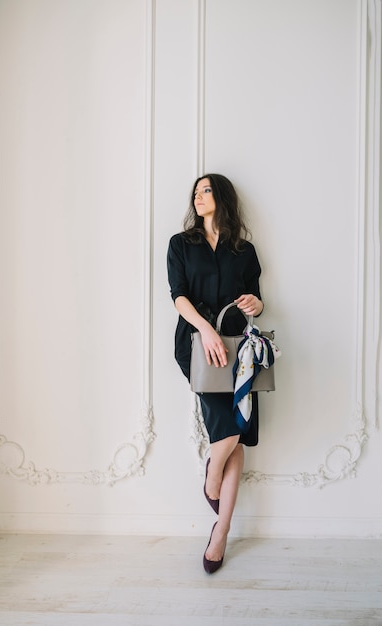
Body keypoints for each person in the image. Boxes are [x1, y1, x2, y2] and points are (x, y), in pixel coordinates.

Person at [167, 173, 264, 574]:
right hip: (198, 347)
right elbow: (178, 296)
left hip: (238, 350)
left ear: (221, 196)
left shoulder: (244, 250)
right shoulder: (181, 244)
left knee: (237, 434)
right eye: (195, 192)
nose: (198, 197)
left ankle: (221, 530)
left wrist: (255, 305)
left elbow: (258, 300)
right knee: (229, 430)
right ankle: (213, 483)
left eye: (206, 190)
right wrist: (205, 330)